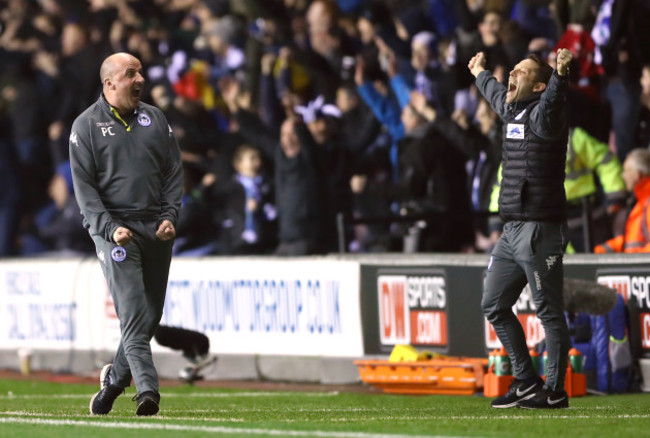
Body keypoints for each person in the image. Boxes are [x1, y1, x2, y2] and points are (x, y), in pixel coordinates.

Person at [69, 52, 183, 416]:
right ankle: (148, 391)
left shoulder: (156, 119)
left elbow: (172, 173)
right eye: (131, 73)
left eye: (141, 72)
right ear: (109, 82)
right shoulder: (85, 126)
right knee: (134, 313)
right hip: (114, 230)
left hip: (155, 228)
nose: (140, 79)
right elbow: (85, 191)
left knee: (150, 315)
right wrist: (108, 227)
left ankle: (113, 383)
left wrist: (168, 216)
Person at [469, 48, 574, 409]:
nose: (512, 74)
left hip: (541, 229)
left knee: (548, 312)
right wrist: (481, 72)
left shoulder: (548, 115)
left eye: (522, 72)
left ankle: (556, 391)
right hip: (512, 230)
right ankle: (527, 381)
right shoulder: (512, 109)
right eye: (513, 69)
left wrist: (560, 75)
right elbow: (496, 93)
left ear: (539, 85)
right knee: (494, 304)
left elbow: (554, 101)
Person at [595, 148, 650, 253]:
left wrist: (635, 258)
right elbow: (632, 241)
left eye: (626, 171)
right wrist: (604, 249)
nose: (623, 176)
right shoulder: (641, 203)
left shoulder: (647, 203)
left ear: (638, 174)